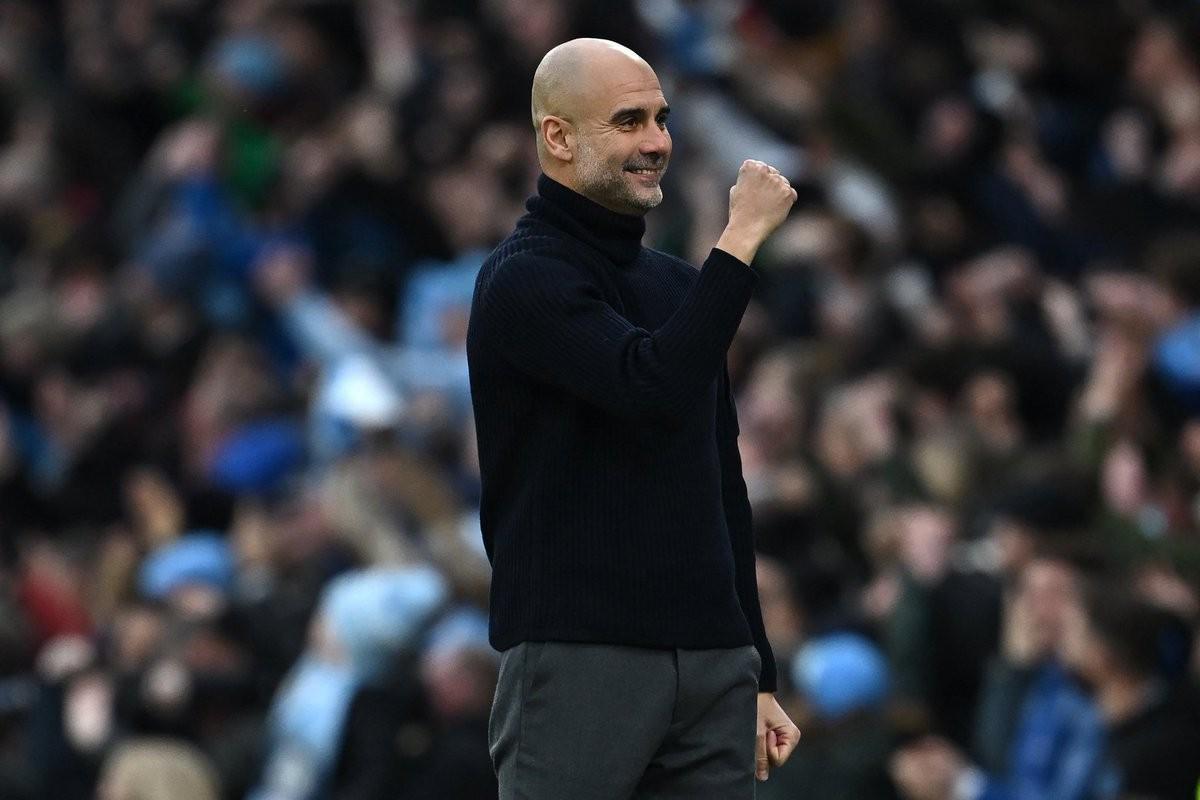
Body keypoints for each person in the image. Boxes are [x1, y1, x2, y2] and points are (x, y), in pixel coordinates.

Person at [466, 37, 801, 799]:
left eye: (661, 118)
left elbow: (722, 485)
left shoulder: (682, 288)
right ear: (558, 137)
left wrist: (756, 667)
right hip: (580, 654)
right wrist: (739, 239)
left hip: (712, 661)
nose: (657, 142)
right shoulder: (523, 279)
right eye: (628, 121)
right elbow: (649, 387)